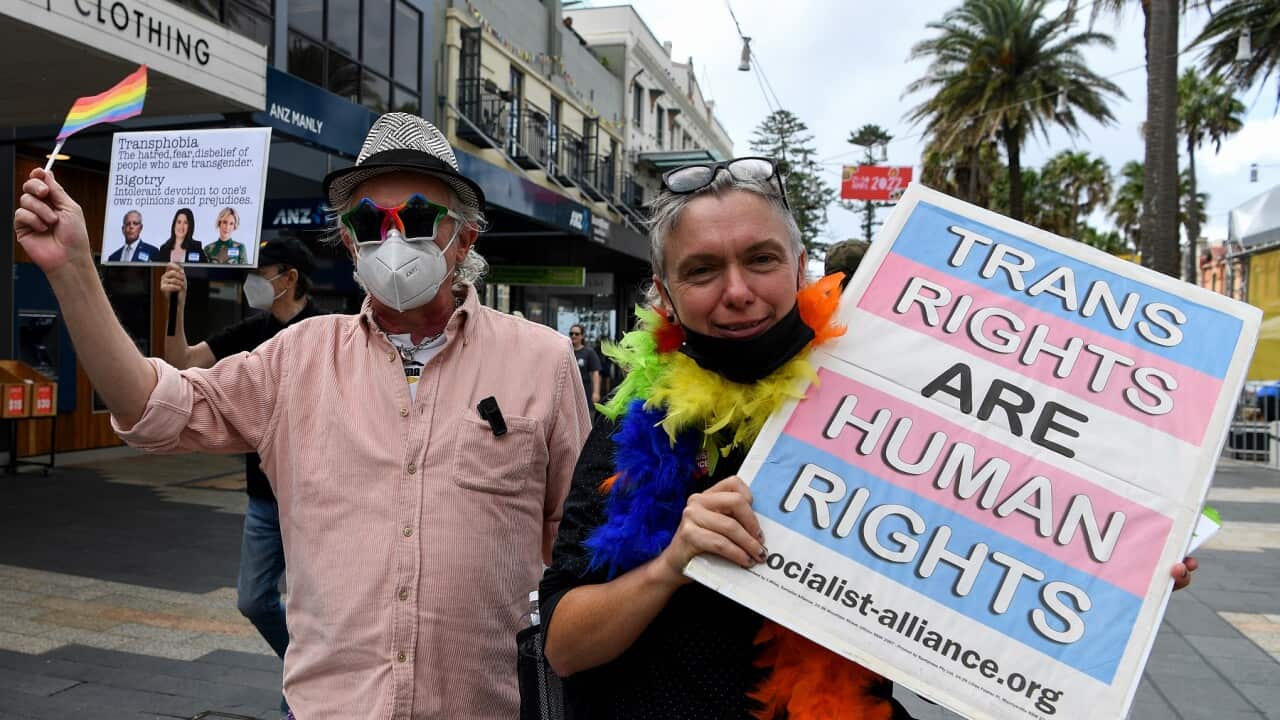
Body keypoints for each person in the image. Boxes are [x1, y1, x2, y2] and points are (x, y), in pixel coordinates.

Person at [538, 157, 1200, 718]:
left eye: (761, 259)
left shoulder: (893, 390)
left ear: (801, 268)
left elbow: (994, 542)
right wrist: (671, 562)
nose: (737, 291)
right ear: (666, 293)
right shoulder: (634, 419)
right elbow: (564, 647)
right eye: (703, 270)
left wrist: (1119, 570)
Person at [14, 112, 591, 719]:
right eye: (369, 222)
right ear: (348, 241)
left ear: (465, 238)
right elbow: (153, 406)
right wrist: (72, 269)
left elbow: (576, 546)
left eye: (417, 218)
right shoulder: (297, 358)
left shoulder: (542, 361)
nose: (391, 239)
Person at [160, 235, 325, 713]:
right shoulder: (253, 330)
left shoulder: (328, 330)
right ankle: (308, 670)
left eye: (263, 272)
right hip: (264, 498)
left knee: (317, 606)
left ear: (289, 277)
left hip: (316, 495)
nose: (254, 282)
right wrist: (177, 303)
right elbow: (183, 363)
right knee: (254, 599)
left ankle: (305, 694)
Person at [569, 323, 602, 406]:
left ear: (582, 336)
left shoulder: (589, 352)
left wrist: (596, 392)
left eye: (577, 334)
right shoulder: (567, 351)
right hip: (569, 391)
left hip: (585, 391)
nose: (573, 336)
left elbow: (595, 373)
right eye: (571, 333)